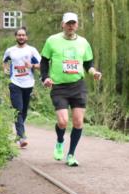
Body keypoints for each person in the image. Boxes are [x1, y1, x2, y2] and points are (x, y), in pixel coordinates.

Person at [40, 12, 102, 167]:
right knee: (62, 122)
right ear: (63, 24)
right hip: (59, 86)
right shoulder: (52, 40)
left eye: (73, 23)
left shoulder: (83, 42)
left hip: (77, 86)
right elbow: (44, 61)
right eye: (68, 23)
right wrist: (45, 78)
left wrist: (94, 72)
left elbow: (88, 63)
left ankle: (71, 154)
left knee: (78, 122)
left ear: (77, 25)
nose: (70, 26)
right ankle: (60, 141)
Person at [2, 28, 41, 148]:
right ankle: (22, 136)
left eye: (23, 35)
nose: (21, 37)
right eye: (19, 35)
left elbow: (41, 65)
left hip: (28, 84)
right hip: (15, 83)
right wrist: (5, 69)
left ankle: (19, 133)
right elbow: (4, 61)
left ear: (26, 37)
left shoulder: (32, 50)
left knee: (23, 111)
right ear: (16, 37)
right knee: (18, 110)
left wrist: (32, 65)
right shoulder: (10, 50)